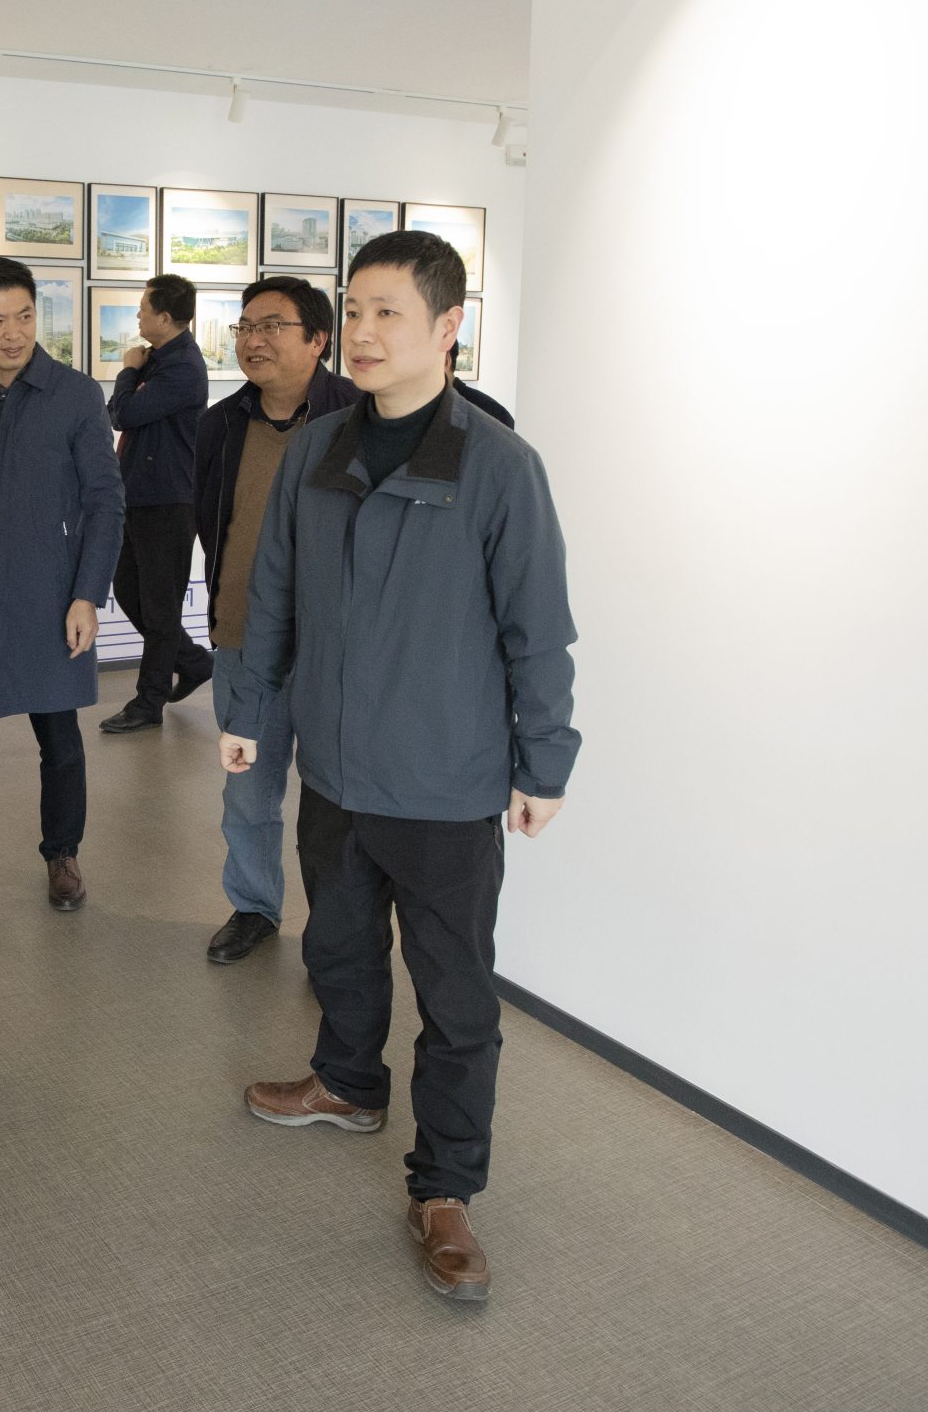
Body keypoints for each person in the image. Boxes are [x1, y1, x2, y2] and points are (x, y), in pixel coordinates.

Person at [219, 230, 579, 1304]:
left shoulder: (498, 466)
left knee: (457, 997)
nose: (365, 333)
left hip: (444, 783)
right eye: (355, 311)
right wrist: (249, 710)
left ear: (448, 325)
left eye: (388, 313)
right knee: (336, 946)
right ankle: (347, 1083)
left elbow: (538, 630)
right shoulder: (319, 452)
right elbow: (273, 592)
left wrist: (544, 763)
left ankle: (446, 1187)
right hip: (335, 770)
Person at [191, 276, 360, 963]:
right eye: (245, 327)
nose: (253, 340)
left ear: (318, 340)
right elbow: (213, 523)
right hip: (241, 640)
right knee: (247, 794)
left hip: (333, 650)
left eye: (272, 326)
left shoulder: (359, 417)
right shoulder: (221, 424)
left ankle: (339, 931)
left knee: (335, 806)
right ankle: (255, 906)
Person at [0, 256, 124, 916]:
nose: (13, 333)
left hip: (52, 595)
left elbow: (106, 500)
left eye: (24, 316)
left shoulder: (75, 395)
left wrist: (88, 594)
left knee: (61, 741)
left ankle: (63, 855)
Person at [99, 273, 215, 733]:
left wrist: (129, 370)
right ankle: (194, 662)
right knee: (129, 591)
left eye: (144, 308)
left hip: (168, 500)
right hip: (139, 496)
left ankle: (148, 703)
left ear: (165, 318)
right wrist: (134, 376)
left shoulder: (181, 366)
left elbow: (124, 413)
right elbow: (119, 412)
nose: (138, 315)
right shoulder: (159, 360)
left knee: (161, 607)